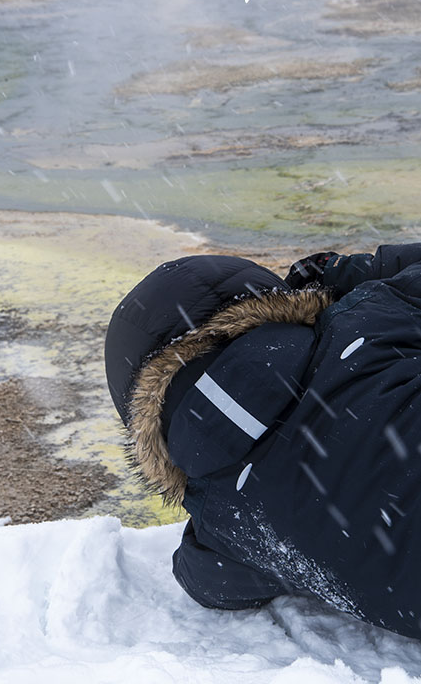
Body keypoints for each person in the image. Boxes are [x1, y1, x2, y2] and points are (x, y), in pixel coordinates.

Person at [104, 244, 421, 640]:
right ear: (269, 307)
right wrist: (353, 273)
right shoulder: (364, 323)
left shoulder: (222, 527)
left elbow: (203, 579)